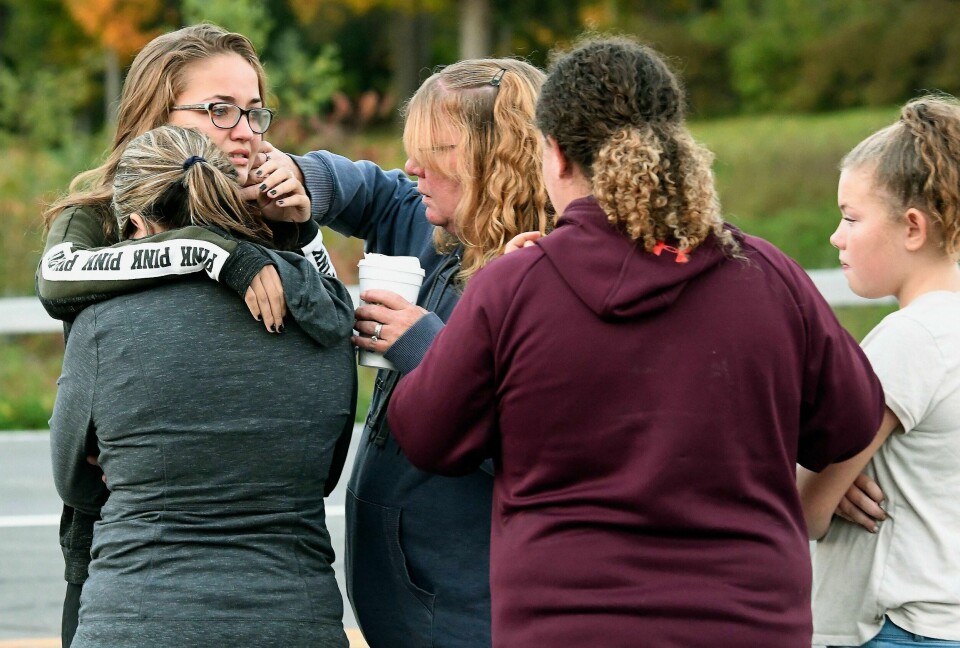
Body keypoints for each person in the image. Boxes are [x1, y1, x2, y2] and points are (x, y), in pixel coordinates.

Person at [385, 36, 885, 647]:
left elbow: (426, 433)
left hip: (567, 627)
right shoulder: (766, 275)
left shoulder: (515, 287)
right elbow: (852, 419)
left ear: (557, 154)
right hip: (748, 624)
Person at [36, 23, 354, 647]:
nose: (244, 129)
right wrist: (218, 254)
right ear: (155, 116)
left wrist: (306, 230)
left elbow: (333, 319)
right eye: (219, 110)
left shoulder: (270, 212)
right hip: (112, 536)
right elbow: (57, 275)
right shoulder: (103, 212)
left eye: (255, 111)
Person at [264, 57, 550, 647]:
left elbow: (537, 447)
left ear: (495, 159)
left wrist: (425, 346)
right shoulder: (430, 221)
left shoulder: (543, 274)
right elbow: (373, 189)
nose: (414, 166)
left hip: (476, 617)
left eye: (435, 151)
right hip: (409, 608)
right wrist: (303, 176)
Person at [797, 96, 960, 647]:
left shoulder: (910, 339)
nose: (836, 237)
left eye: (850, 217)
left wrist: (823, 481)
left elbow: (805, 510)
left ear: (912, 227)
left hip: (895, 628)